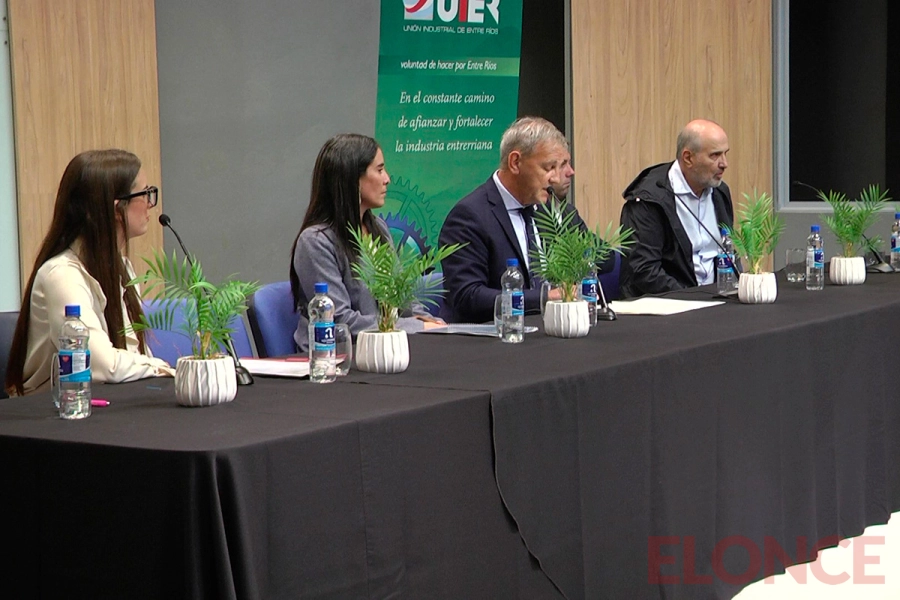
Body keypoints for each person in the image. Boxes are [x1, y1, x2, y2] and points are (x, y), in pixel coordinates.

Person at [5, 150, 174, 396]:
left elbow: (130, 355)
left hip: (107, 406)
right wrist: (159, 367)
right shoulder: (62, 275)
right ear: (118, 210)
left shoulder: (121, 268)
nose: (150, 203)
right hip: (53, 417)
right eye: (145, 193)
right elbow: (100, 364)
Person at [438, 116, 615, 323]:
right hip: (497, 340)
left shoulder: (554, 212)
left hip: (552, 331)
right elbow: (467, 297)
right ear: (515, 163)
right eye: (549, 168)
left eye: (561, 166)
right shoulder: (469, 216)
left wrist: (576, 261)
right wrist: (544, 298)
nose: (557, 178)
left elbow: (606, 258)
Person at [289, 133, 442, 352]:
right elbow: (339, 321)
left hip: (385, 347)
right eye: (379, 170)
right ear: (353, 180)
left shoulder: (378, 227)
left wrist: (429, 322)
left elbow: (400, 297)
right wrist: (415, 327)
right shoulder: (316, 242)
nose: (387, 178)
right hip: (336, 358)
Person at [619, 119, 735, 298]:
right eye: (715, 155)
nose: (724, 163)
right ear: (688, 158)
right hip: (668, 306)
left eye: (725, 154)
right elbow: (643, 271)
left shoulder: (720, 192)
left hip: (716, 300)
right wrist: (695, 297)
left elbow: (728, 251)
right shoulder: (648, 199)